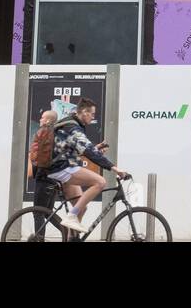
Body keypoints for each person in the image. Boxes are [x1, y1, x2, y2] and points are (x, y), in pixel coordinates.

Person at [49, 97, 130, 234]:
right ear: (84, 112)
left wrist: (96, 149)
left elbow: (79, 148)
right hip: (61, 167)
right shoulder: (73, 127)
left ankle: (71, 237)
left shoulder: (72, 123)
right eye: (92, 114)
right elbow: (86, 149)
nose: (93, 117)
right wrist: (115, 168)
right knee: (100, 182)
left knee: (82, 207)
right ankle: (71, 216)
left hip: (63, 164)